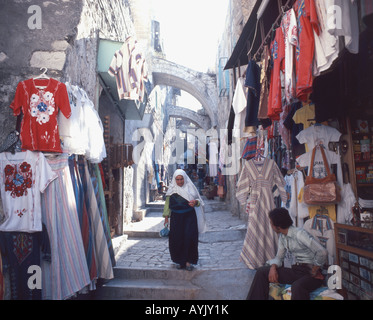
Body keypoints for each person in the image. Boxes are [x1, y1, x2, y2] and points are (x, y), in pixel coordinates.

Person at [247, 208, 328, 300]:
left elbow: (322, 251)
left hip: (312, 274)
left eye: (271, 223)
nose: (271, 225)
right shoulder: (282, 237)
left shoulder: (299, 234)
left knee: (297, 286)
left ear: (278, 226)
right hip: (297, 271)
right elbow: (279, 257)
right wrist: (273, 267)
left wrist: (315, 268)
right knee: (262, 272)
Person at [163, 169, 206, 271]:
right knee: (177, 239)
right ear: (175, 180)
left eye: (181, 179)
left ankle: (188, 262)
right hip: (176, 218)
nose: (179, 182)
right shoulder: (171, 190)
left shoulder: (190, 188)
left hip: (189, 217)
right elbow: (167, 206)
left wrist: (195, 202)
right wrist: (166, 219)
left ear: (184, 178)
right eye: (177, 179)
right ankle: (179, 261)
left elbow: (199, 201)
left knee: (190, 238)